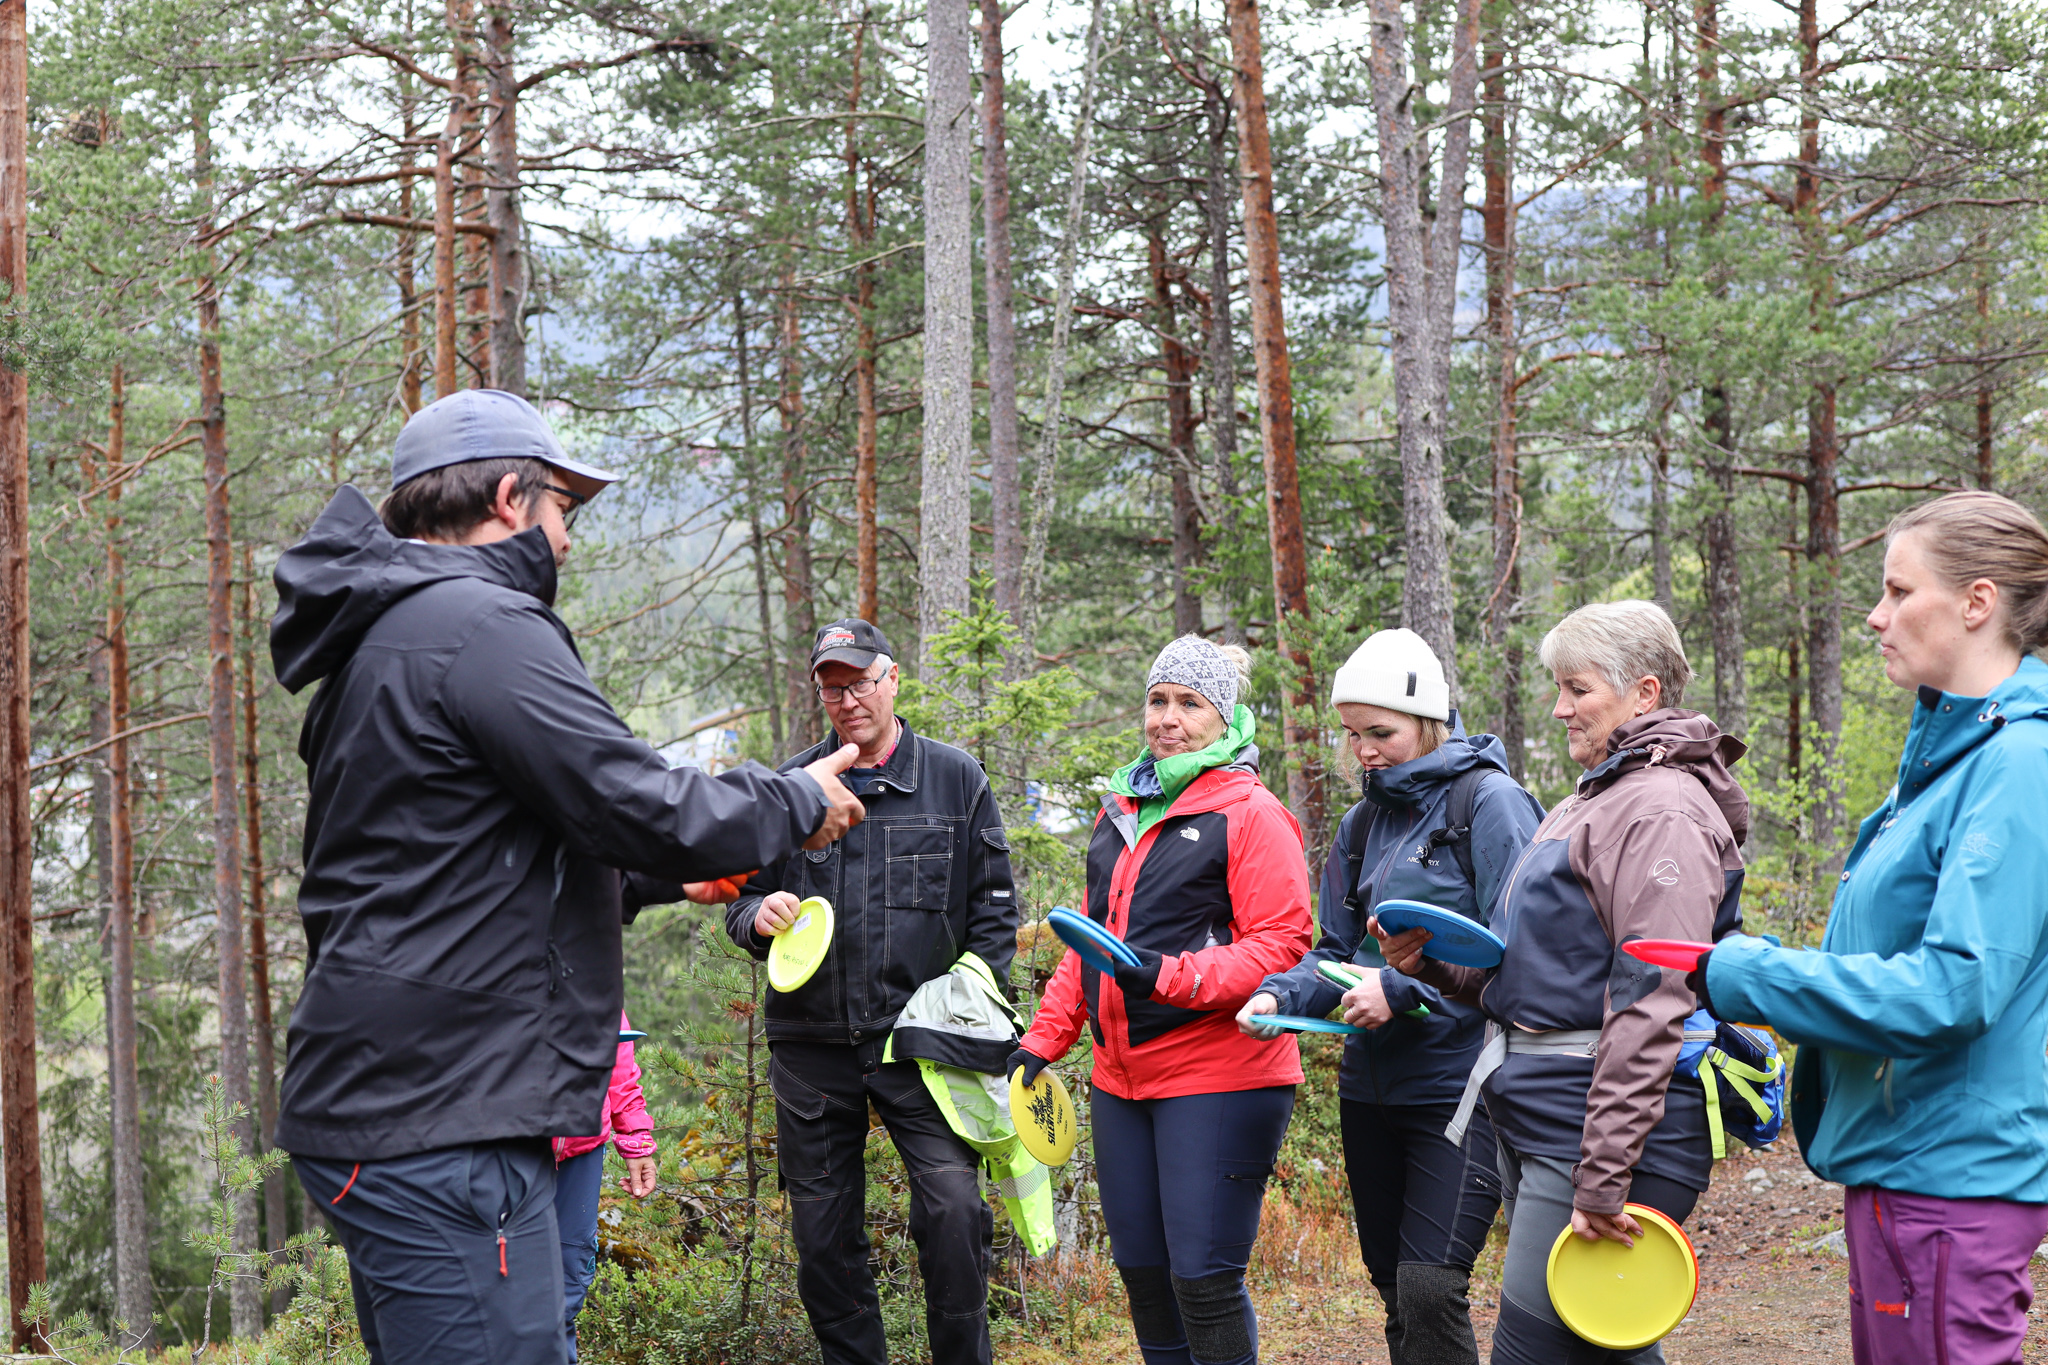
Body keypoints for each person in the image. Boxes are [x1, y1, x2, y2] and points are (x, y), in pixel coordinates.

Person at [270, 389, 865, 1365]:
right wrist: (795, 797)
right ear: (511, 499)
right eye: (564, 508)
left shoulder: (390, 638)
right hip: (445, 1114)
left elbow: (476, 865)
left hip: (396, 1101)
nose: (568, 538)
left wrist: (670, 881)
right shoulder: (478, 624)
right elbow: (636, 801)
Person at [1694, 491, 2048, 1365]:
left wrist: (1751, 974)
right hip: (1907, 1164)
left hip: (1951, 1176)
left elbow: (1955, 986)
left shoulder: (2017, 764)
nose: (1875, 615)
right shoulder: (1952, 761)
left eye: (1898, 590)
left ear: (1977, 601)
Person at [1377, 600, 1746, 1365]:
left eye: (1577, 688)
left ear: (1644, 693)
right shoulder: (1591, 798)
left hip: (1598, 1130)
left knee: (1533, 1350)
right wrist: (1432, 964)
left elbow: (1653, 999)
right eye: (1559, 687)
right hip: (1545, 1112)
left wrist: (1605, 1170)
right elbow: (1535, 977)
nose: (1559, 707)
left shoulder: (1664, 811)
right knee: (1603, 1348)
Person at [1237, 629, 1544, 1365]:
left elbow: (1524, 946)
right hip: (1370, 1088)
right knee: (1394, 1286)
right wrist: (1277, 996)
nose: (1364, 751)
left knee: (1429, 1285)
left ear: (1428, 720)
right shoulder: (1363, 822)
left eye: (1381, 732)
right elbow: (1335, 953)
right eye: (1353, 735)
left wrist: (1399, 988)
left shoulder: (1490, 802)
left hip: (1463, 1086)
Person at [1012, 635, 1314, 1365]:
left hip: (1221, 1075)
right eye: (1157, 700)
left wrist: (1168, 975)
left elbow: (1283, 945)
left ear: (1224, 717)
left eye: (1189, 703)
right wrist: (1042, 1039)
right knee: (1145, 1280)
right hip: (1122, 1080)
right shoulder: (1122, 809)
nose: (1167, 718)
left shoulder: (1251, 812)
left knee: (1203, 1282)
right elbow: (1090, 944)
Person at [725, 619, 1017, 1365]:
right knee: (823, 1239)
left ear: (891, 679)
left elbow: (993, 912)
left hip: (922, 1044)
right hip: (810, 1044)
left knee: (955, 1212)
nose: (847, 700)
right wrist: (758, 914)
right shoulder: (793, 787)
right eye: (832, 688)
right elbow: (740, 899)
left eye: (859, 683)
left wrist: (970, 1009)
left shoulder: (955, 778)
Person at [553, 1012, 658, 1364]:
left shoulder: (593, 977)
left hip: (581, 1144)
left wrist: (635, 1137)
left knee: (568, 1278)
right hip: (508, 1146)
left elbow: (617, 1056)